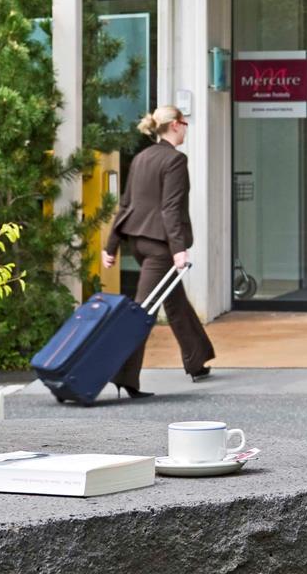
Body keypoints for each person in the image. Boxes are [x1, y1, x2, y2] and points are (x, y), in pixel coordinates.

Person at [101, 105, 215, 398]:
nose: (187, 127)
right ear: (175, 125)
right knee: (143, 311)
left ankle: (197, 358)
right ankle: (124, 376)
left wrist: (111, 245)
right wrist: (178, 249)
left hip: (138, 243)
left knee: (174, 302)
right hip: (160, 248)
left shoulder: (141, 158)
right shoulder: (175, 160)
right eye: (185, 122)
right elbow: (170, 208)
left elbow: (125, 204)